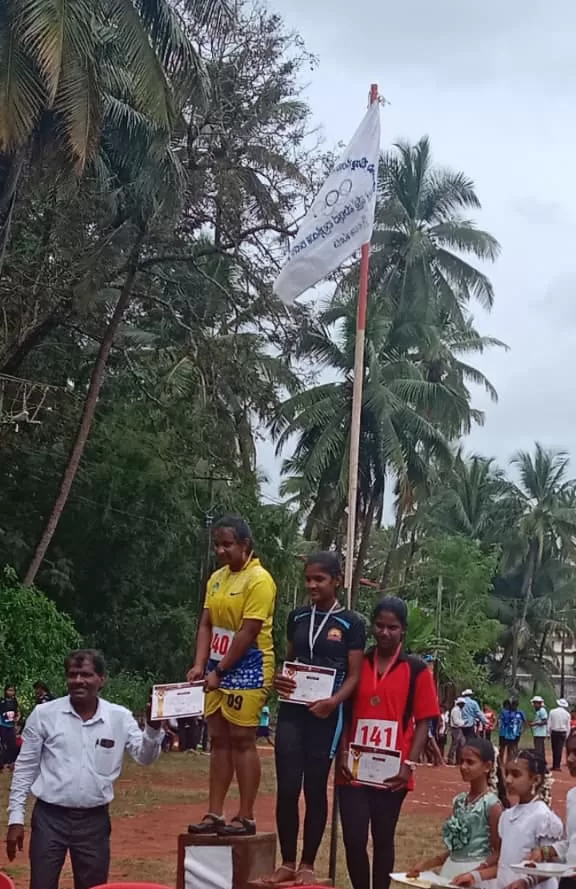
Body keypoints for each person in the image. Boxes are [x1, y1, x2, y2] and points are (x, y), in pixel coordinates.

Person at [5, 649, 163, 889]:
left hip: (94, 821)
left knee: (93, 887)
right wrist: (15, 818)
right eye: (73, 675)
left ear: (101, 679)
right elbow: (25, 768)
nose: (78, 681)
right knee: (41, 884)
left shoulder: (118, 717)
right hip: (49, 818)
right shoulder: (44, 715)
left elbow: (145, 757)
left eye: (86, 675)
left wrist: (152, 730)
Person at [264, 551, 365, 885]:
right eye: (308, 579)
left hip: (326, 714)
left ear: (336, 580)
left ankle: (307, 864)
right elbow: (289, 662)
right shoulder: (297, 617)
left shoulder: (351, 623)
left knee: (315, 788)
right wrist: (281, 678)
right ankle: (287, 861)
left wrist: (334, 701)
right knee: (288, 787)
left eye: (319, 579)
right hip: (293, 710)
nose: (312, 585)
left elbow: (354, 675)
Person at [337, 596, 439, 889]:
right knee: (354, 838)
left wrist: (410, 764)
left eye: (392, 627)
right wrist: (343, 753)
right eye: (379, 626)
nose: (384, 633)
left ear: (403, 629)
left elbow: (424, 720)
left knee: (383, 837)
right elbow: (345, 712)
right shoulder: (357, 664)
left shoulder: (417, 669)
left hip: (392, 770)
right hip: (353, 768)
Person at [187, 515, 276, 837]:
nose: (221, 550)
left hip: (250, 666)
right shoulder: (216, 579)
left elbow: (248, 632)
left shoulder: (259, 580)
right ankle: (214, 813)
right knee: (219, 739)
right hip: (215, 666)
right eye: (217, 545)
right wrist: (200, 665)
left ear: (245, 545)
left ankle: (246, 815)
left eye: (227, 544)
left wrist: (221, 670)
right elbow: (206, 624)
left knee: (242, 740)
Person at [454, 749, 562, 889]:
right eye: (507, 774)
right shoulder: (507, 816)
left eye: (516, 775)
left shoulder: (544, 819)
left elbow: (552, 867)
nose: (508, 780)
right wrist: (476, 876)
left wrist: (527, 882)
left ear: (535, 779)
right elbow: (505, 864)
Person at [407, 738, 505, 882]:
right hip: (452, 868)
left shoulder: (492, 805)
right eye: (462, 761)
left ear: (487, 766)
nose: (463, 766)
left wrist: (476, 873)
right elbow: (458, 849)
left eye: (470, 762)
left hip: (477, 875)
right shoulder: (459, 801)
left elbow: (498, 851)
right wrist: (428, 864)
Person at [527, 730, 576, 884]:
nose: (569, 759)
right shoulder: (572, 796)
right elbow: (572, 842)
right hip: (569, 877)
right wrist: (546, 851)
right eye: (568, 752)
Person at [0, 685, 20, 770]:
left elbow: (18, 712)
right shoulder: (2, 701)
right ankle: (2, 763)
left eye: (12, 690)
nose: (11, 692)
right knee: (3, 744)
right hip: (3, 725)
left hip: (11, 726)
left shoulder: (15, 701)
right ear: (5, 691)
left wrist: (18, 719)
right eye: (9, 690)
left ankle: (12, 763)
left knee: (13, 744)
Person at [548, 699, 571, 771]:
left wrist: (548, 733)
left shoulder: (552, 711)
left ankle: (555, 765)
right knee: (559, 749)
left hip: (554, 732)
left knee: (554, 749)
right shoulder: (567, 714)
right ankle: (557, 765)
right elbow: (568, 726)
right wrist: (567, 735)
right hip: (562, 732)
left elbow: (549, 723)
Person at [530, 695, 549, 761]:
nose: (534, 705)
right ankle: (542, 763)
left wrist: (535, 723)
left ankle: (539, 763)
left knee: (538, 750)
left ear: (539, 703)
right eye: (534, 703)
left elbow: (545, 721)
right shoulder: (538, 711)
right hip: (537, 733)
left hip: (540, 733)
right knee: (540, 750)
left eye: (536, 703)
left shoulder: (542, 710)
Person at [448, 698, 466, 765]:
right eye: (463, 704)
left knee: (462, 744)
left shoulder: (458, 710)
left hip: (459, 729)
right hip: (455, 729)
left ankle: (458, 759)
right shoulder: (455, 710)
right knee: (455, 745)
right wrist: (464, 722)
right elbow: (456, 722)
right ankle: (450, 759)